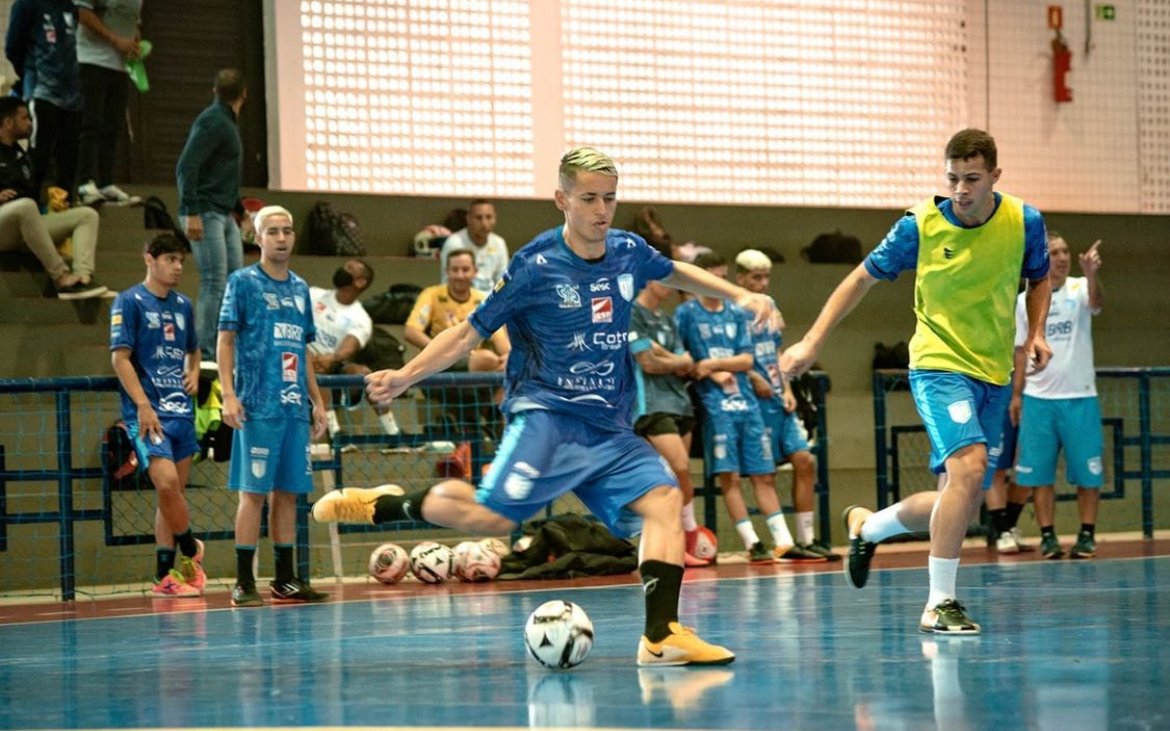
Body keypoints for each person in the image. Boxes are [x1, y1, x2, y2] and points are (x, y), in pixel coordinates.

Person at [314, 146, 781, 666]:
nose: (601, 210)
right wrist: (404, 376)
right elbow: (468, 334)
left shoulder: (627, 249)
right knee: (491, 519)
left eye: (609, 198)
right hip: (548, 420)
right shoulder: (534, 266)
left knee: (665, 501)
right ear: (562, 200)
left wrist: (742, 297)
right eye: (588, 199)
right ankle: (386, 504)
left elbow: (675, 272)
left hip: (608, 426)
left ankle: (661, 636)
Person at [780, 128, 1053, 635]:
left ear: (995, 175)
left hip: (993, 370)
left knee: (961, 497)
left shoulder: (1024, 221)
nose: (961, 189)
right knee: (970, 469)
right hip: (938, 365)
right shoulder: (920, 225)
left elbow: (1040, 278)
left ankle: (870, 526)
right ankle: (940, 603)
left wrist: (1035, 332)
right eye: (952, 178)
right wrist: (813, 341)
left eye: (972, 179)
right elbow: (859, 277)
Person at [217, 205, 329, 607]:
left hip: (293, 408)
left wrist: (317, 401)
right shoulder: (242, 283)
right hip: (257, 405)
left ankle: (284, 579)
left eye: (288, 230)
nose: (282, 238)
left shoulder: (300, 288)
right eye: (273, 231)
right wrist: (228, 394)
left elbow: (304, 349)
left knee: (288, 495)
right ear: (258, 237)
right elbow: (225, 341)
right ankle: (244, 582)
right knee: (253, 494)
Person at [676, 252, 819, 564]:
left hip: (749, 402)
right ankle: (752, 543)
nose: (719, 283)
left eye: (721, 277)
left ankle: (786, 541)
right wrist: (707, 369)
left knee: (765, 473)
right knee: (731, 477)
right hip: (716, 405)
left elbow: (747, 359)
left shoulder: (735, 313)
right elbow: (686, 361)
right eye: (713, 277)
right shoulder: (686, 314)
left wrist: (712, 363)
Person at [109, 233, 205, 597]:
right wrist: (143, 405)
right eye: (170, 259)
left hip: (181, 410)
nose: (178, 266)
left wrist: (194, 371)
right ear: (149, 259)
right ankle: (190, 551)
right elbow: (119, 358)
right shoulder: (129, 301)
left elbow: (193, 349)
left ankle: (165, 577)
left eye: (181, 260)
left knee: (172, 497)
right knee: (165, 484)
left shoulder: (183, 305)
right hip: (148, 414)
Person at [734, 248, 837, 560]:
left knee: (805, 460)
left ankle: (807, 538)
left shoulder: (771, 306)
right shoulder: (731, 309)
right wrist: (753, 377)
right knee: (763, 474)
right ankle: (783, 542)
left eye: (767, 277)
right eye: (756, 277)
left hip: (779, 398)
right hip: (751, 402)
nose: (763, 283)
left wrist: (788, 386)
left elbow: (776, 351)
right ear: (740, 279)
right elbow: (729, 353)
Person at [1014, 233, 1104, 560]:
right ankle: (1048, 537)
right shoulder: (1027, 299)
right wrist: (1016, 396)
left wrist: (1092, 274)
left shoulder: (1080, 288)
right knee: (1039, 475)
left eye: (1066, 251)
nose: (1062, 257)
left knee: (1087, 473)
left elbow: (1095, 304)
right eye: (1054, 252)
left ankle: (1086, 535)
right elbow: (1020, 351)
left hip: (1080, 398)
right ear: (1042, 258)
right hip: (1038, 400)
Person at [629, 278, 708, 567]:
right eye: (664, 281)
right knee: (679, 467)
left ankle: (680, 545)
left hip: (679, 402)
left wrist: (666, 356)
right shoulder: (631, 313)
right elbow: (647, 363)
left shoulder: (667, 318)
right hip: (650, 405)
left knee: (678, 478)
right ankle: (689, 534)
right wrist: (675, 360)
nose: (672, 286)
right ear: (647, 281)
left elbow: (687, 362)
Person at [0, 96, 105, 298]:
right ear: (7, 122)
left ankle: (82, 279)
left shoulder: (21, 155)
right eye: (24, 118)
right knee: (25, 206)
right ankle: (61, 276)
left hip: (26, 223)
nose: (29, 123)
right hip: (4, 225)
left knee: (87, 215)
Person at [177, 67, 248, 360]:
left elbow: (220, 172)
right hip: (206, 212)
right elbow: (187, 166)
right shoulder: (213, 121)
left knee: (235, 281)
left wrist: (239, 209)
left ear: (214, 91)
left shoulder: (225, 121)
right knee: (214, 281)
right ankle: (205, 352)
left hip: (222, 212)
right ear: (244, 94)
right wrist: (190, 211)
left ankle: (227, 346)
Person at [308, 257, 400, 436]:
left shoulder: (361, 318)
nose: (342, 270)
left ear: (359, 282)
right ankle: (335, 433)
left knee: (365, 374)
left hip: (332, 363)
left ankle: (394, 433)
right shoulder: (313, 294)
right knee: (314, 370)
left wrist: (332, 358)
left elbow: (349, 347)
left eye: (348, 269)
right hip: (302, 359)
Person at [5, 0, 82, 204]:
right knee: (38, 157)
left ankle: (64, 211)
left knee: (68, 162)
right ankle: (31, 209)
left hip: (71, 97)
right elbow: (13, 47)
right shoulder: (27, 4)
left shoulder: (70, 7)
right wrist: (31, 73)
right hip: (42, 91)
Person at [75, 0, 143, 206]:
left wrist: (135, 41)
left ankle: (105, 182)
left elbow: (132, 21)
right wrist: (116, 40)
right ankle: (84, 181)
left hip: (120, 66)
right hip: (92, 60)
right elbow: (83, 13)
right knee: (90, 124)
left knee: (112, 126)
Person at [404, 248, 510, 372]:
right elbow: (411, 331)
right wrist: (441, 351)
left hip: (474, 362)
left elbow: (501, 342)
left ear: (474, 272)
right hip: (438, 364)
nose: (460, 275)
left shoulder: (483, 301)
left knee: (510, 364)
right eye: (455, 270)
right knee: (487, 359)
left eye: (465, 270)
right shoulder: (431, 295)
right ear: (447, 272)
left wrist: (508, 357)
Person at [438, 199, 508, 293]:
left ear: (495, 219)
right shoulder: (454, 243)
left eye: (489, 217)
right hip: (461, 301)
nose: (484, 223)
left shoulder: (499, 244)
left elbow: (503, 283)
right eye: (479, 218)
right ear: (468, 219)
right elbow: (446, 282)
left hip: (489, 303)